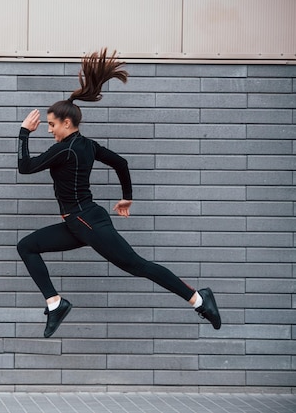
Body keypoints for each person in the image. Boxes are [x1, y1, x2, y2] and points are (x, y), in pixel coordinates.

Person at [16, 48, 221, 338]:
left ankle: (200, 300)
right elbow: (120, 163)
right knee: (27, 246)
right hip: (81, 222)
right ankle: (55, 303)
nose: (49, 130)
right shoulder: (87, 145)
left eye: (51, 125)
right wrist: (127, 196)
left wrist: (24, 132)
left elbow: (25, 167)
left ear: (66, 123)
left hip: (85, 221)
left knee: (138, 266)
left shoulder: (64, 149)